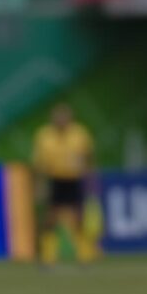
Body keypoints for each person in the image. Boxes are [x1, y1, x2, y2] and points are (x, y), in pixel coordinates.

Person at [30, 102, 98, 265]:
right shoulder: (44, 136)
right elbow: (39, 164)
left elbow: (89, 158)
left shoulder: (80, 134)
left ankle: (85, 256)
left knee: (78, 219)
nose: (60, 120)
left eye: (64, 117)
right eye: (57, 117)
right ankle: (48, 257)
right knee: (50, 219)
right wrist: (39, 185)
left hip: (74, 179)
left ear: (70, 118)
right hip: (55, 180)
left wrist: (91, 178)